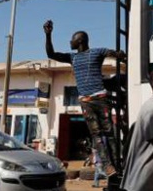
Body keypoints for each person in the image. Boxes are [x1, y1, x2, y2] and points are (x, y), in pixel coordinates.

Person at [44, 19, 125, 178]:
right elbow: (51, 54)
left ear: (80, 41)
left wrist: (121, 55)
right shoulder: (72, 58)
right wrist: (48, 35)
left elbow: (116, 54)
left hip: (100, 98)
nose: (70, 42)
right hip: (86, 101)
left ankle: (116, 164)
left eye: (72, 39)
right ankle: (109, 166)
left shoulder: (97, 52)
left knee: (108, 133)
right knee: (98, 135)